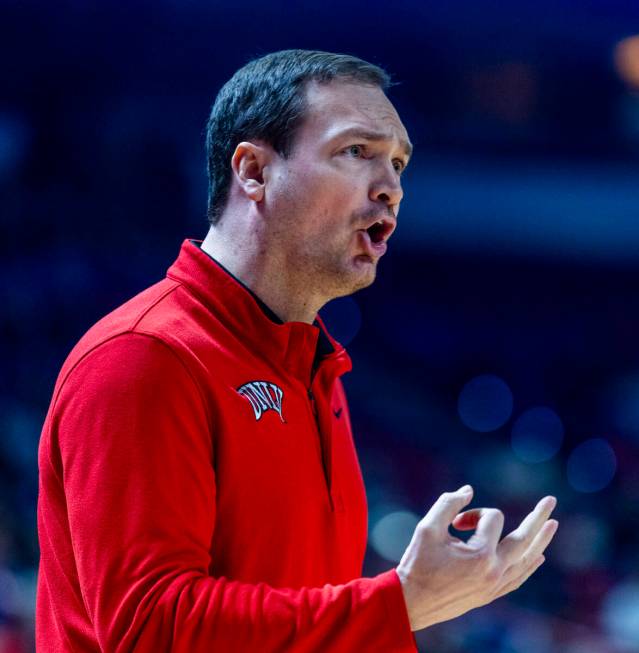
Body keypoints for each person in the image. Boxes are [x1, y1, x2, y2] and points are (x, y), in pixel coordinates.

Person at [36, 49, 559, 652]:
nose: (390, 187)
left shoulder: (317, 372)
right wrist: (397, 603)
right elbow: (151, 629)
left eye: (398, 164)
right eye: (356, 152)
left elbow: (302, 619)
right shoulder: (142, 357)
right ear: (254, 171)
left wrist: (400, 605)